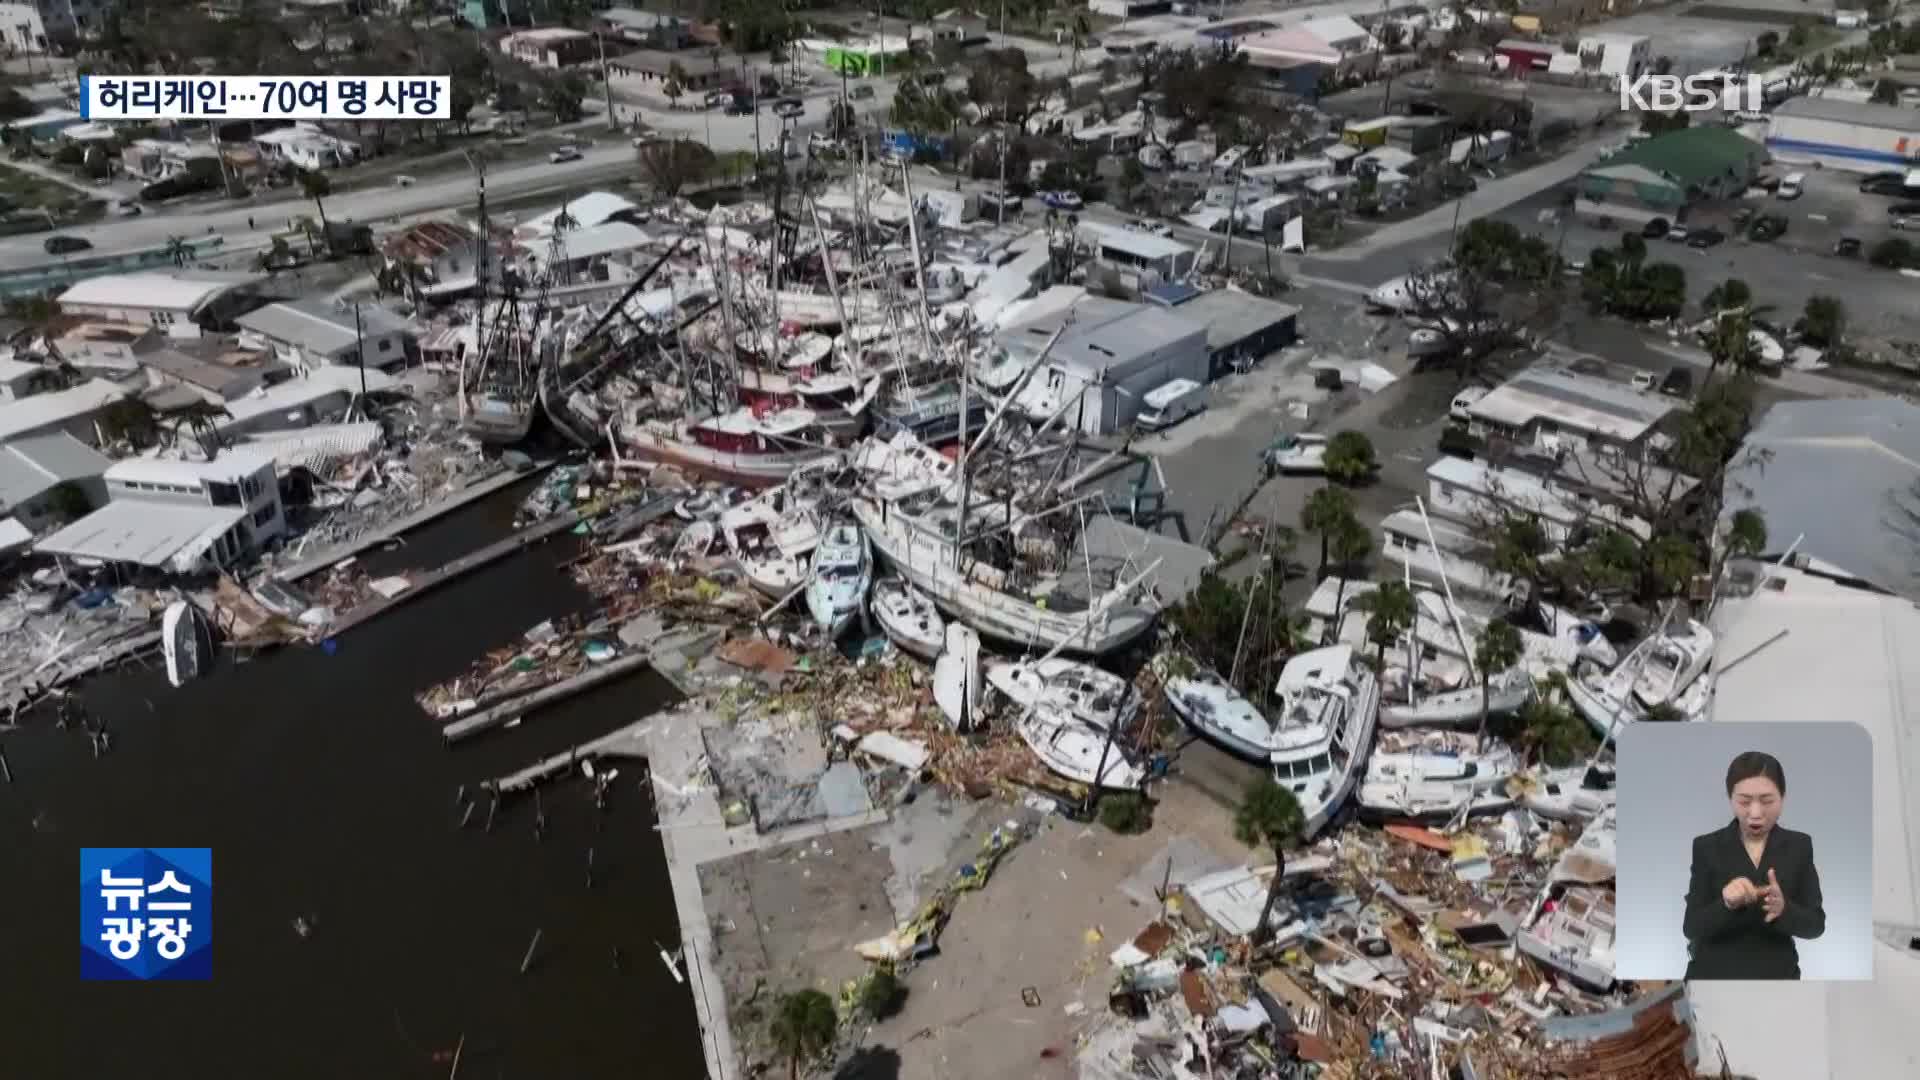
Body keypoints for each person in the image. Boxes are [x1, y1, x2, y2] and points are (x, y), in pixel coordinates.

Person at [1682, 751, 1825, 979]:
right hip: (1713, 977)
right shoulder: (1706, 847)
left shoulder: (1800, 846)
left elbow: (1816, 924)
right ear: (1731, 799)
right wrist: (1726, 904)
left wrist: (1783, 909)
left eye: (1767, 801)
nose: (1755, 813)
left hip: (1777, 979)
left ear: (1783, 798)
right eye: (1744, 802)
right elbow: (1691, 927)